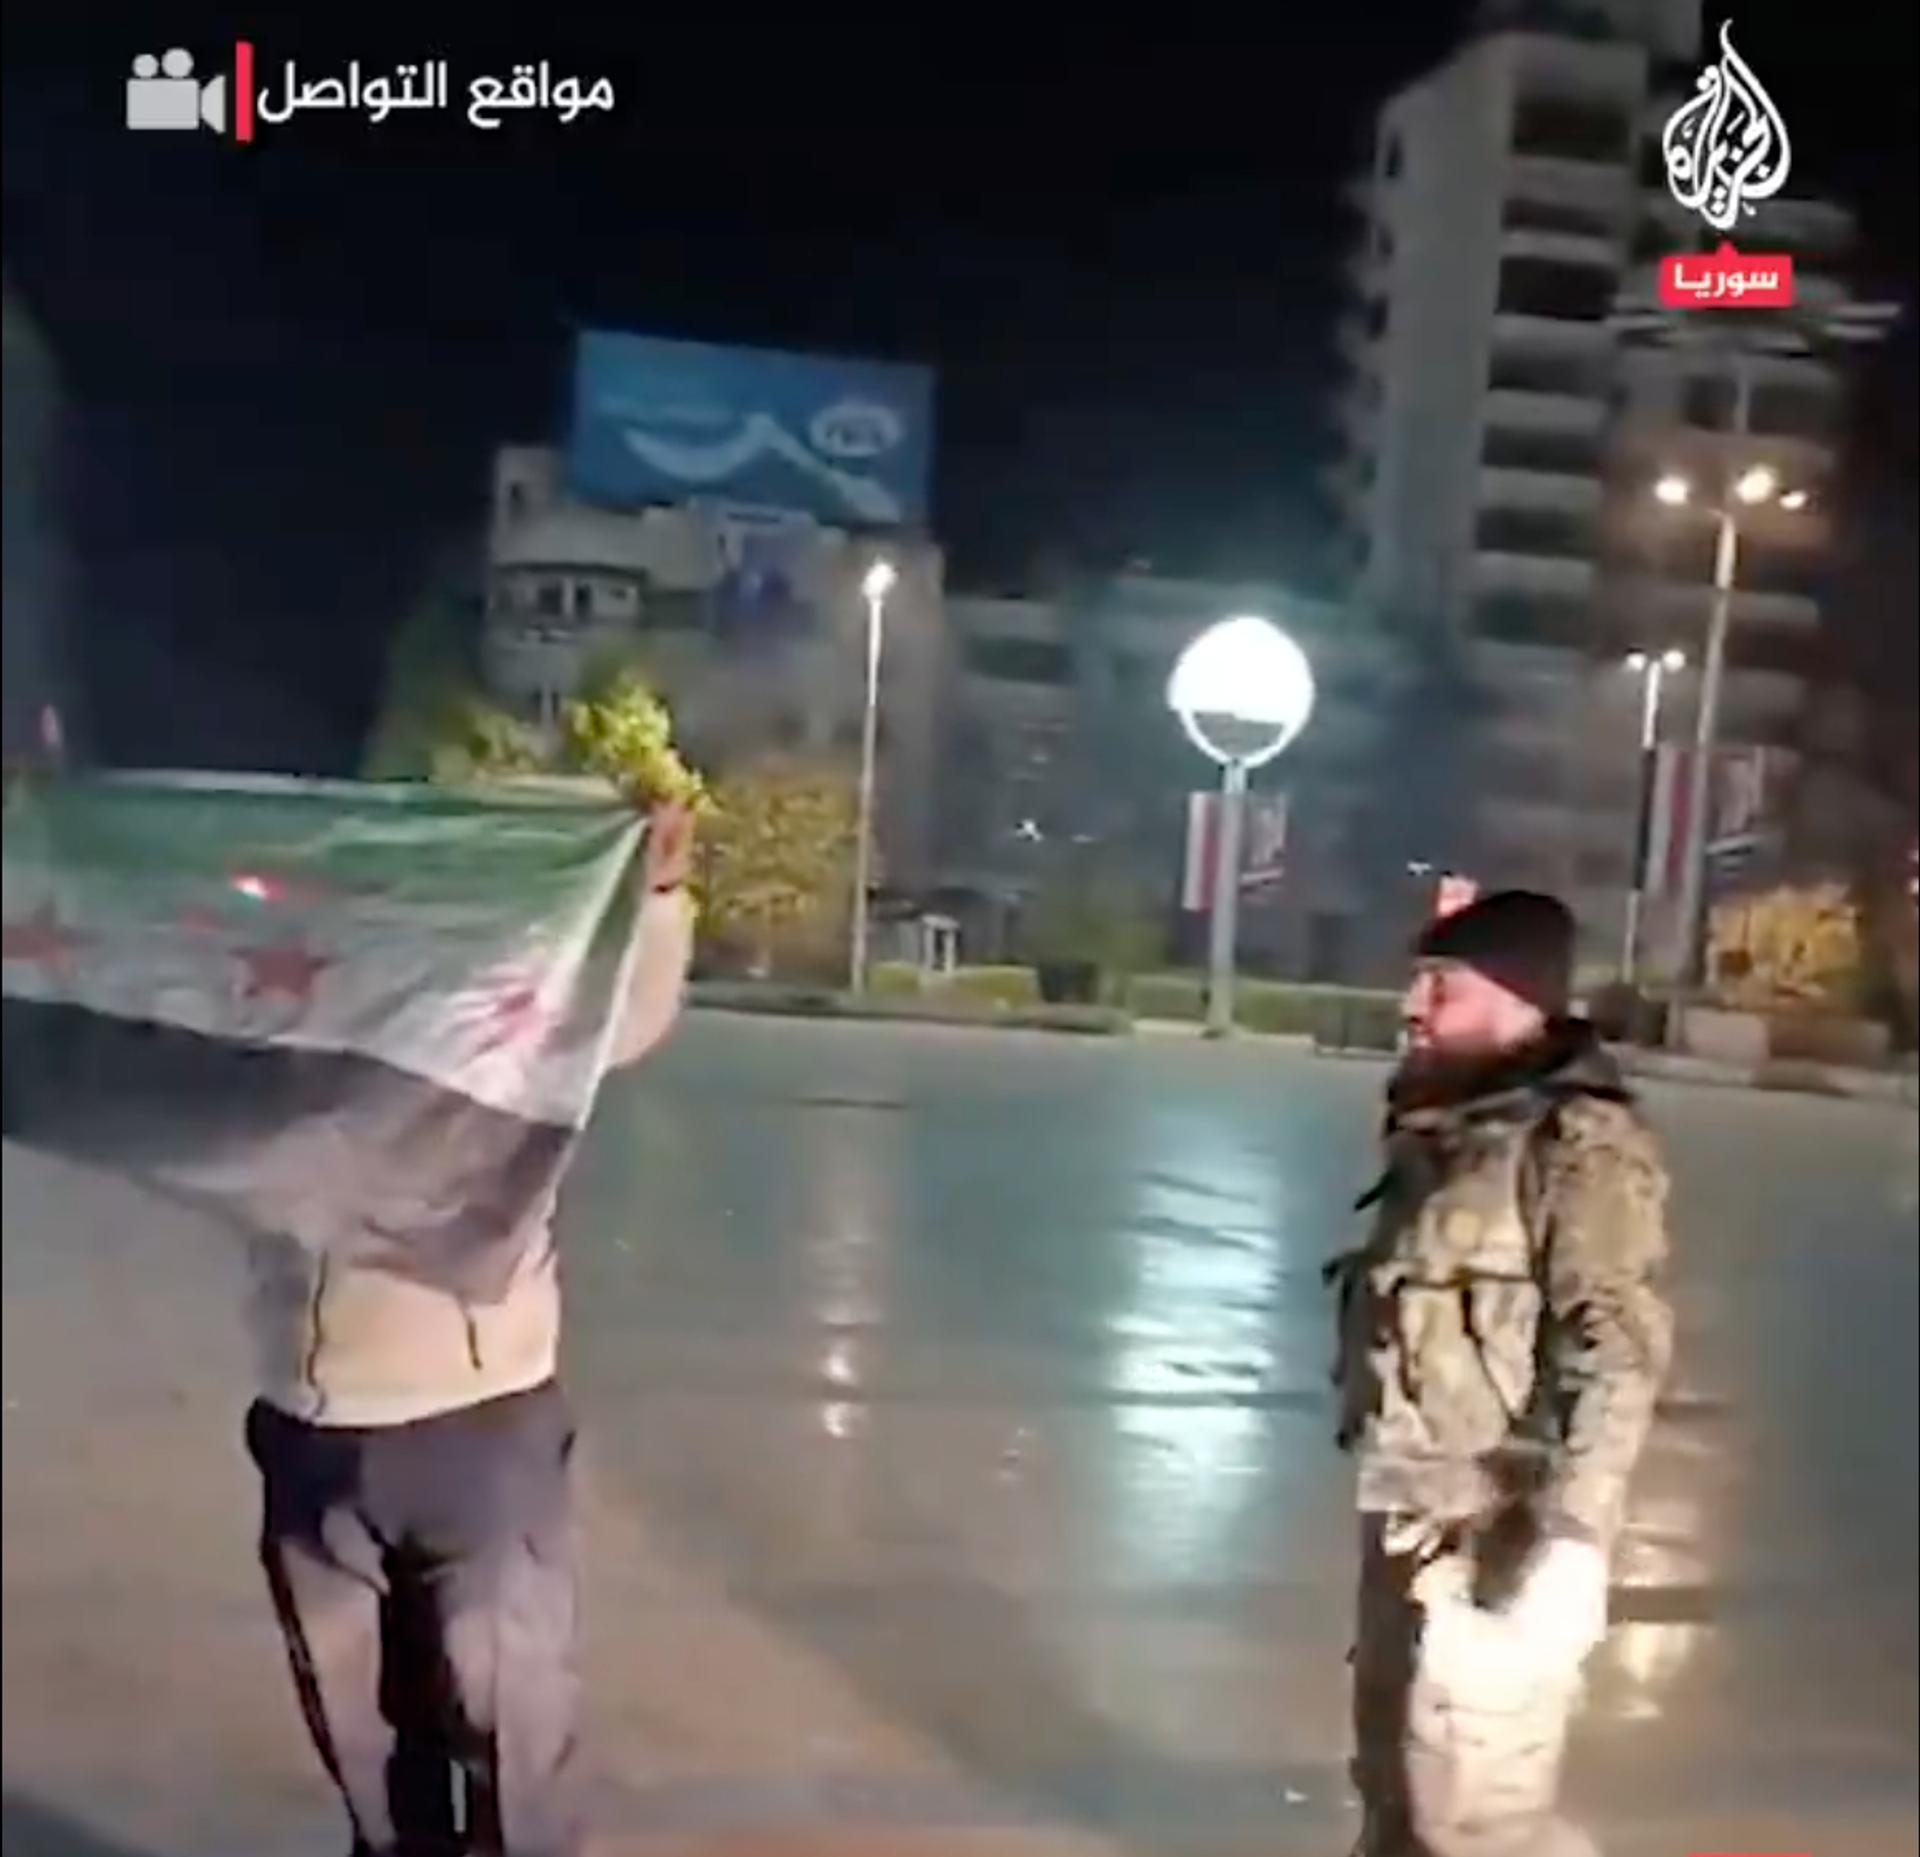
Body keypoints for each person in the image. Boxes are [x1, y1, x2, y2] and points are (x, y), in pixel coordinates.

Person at [243, 804, 697, 1857]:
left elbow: (627, 1011)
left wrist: (662, 896)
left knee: (511, 1723)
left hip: (482, 1426)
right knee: (360, 1728)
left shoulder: (505, 1036)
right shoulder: (270, 1041)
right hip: (312, 1430)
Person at [1327, 889, 1673, 1856]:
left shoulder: (1578, 1147)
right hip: (1408, 1504)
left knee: (1473, 1807)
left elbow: (1615, 1344)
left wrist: (1572, 1536)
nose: (1415, 1007)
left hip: (1496, 1528)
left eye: (1443, 986)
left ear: (1519, 1000)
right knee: (1390, 1772)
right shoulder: (1449, 1125)